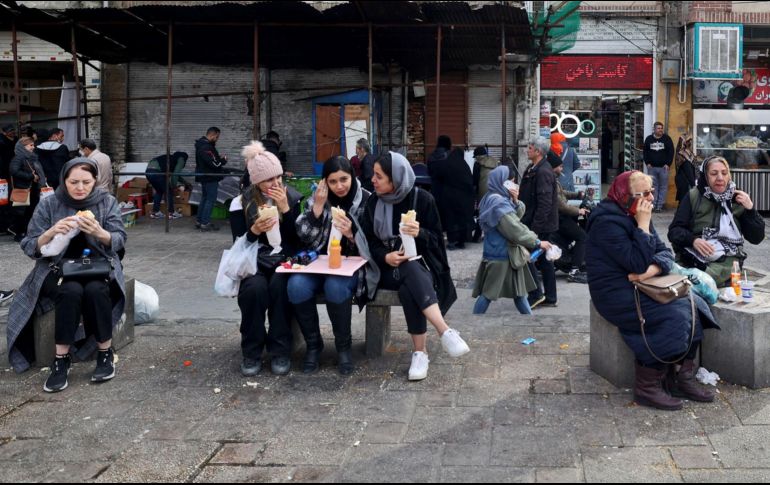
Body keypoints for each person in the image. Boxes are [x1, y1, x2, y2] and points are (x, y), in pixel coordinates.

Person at [587, 170, 718, 410]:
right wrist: (644, 226)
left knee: (694, 303)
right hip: (614, 292)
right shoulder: (607, 222)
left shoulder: (635, 212)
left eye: (652, 191)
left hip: (642, 282)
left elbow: (665, 252)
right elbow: (636, 261)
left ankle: (681, 376)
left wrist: (652, 269)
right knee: (675, 314)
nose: (650, 197)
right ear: (625, 195)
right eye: (643, 193)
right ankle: (647, 386)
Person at [6, 158, 127, 392]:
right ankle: (61, 359)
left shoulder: (106, 202)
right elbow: (30, 245)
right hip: (56, 269)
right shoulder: (50, 204)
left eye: (86, 182)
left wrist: (100, 233)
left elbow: (119, 240)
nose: (80, 188)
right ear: (64, 180)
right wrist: (51, 232)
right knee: (70, 291)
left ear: (95, 181)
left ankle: (105, 353)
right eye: (73, 182)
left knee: (95, 290)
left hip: (99, 267)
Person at [361, 151, 469, 381]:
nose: (373, 180)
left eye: (379, 176)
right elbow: (369, 241)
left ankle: (420, 353)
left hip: (422, 270)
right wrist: (385, 256)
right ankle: (444, 331)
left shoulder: (422, 199)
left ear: (395, 179)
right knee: (409, 272)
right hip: (385, 271)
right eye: (374, 175)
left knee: (409, 283)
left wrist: (419, 233)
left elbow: (438, 241)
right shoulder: (373, 202)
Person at [289, 156, 372, 375]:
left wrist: (352, 235)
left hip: (352, 266)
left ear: (352, 177)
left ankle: (343, 348)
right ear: (325, 182)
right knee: (296, 285)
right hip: (319, 263)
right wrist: (316, 207)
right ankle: (314, 345)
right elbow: (304, 236)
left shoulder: (366, 200)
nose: (339, 186)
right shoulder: (318, 199)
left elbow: (374, 245)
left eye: (344, 179)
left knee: (335, 287)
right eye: (333, 181)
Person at [230, 141, 303, 377]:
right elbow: (239, 244)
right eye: (269, 180)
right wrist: (255, 230)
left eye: (279, 177)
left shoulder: (292, 197)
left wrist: (287, 210)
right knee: (253, 290)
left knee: (280, 288)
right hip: (255, 261)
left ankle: (280, 350)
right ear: (257, 181)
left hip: (284, 259)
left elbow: (298, 240)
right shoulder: (240, 203)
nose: (276, 183)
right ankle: (251, 351)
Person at [668, 156, 765, 287]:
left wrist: (750, 210)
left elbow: (756, 238)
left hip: (727, 260)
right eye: (714, 173)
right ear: (705, 177)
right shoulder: (693, 196)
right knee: (691, 278)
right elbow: (674, 231)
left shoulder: (737, 199)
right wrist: (693, 240)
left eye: (724, 173)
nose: (720, 178)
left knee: (702, 280)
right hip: (693, 255)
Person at [473, 166, 551, 315]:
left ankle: (530, 323)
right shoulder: (499, 204)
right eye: (511, 182)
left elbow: (515, 217)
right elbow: (514, 228)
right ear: (502, 182)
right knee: (488, 294)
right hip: (501, 255)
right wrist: (537, 242)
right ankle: (473, 323)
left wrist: (515, 200)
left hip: (505, 253)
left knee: (520, 294)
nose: (514, 185)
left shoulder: (491, 197)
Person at [519, 136, 559, 309]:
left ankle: (537, 295)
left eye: (530, 147)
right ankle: (549, 296)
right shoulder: (533, 167)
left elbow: (545, 203)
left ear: (538, 151)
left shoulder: (543, 171)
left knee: (528, 258)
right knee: (543, 261)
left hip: (540, 225)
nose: (527, 149)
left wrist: (534, 230)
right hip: (533, 221)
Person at [552, 155, 589, 284]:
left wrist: (578, 195)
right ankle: (574, 271)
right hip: (559, 218)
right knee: (582, 237)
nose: (562, 168)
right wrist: (578, 210)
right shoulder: (551, 180)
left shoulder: (554, 180)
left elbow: (562, 193)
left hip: (559, 215)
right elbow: (561, 206)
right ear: (553, 167)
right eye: (560, 166)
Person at [431, 147, 475, 250]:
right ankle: (462, 241)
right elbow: (470, 182)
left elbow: (438, 177)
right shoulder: (465, 167)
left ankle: (452, 241)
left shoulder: (446, 164)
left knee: (451, 219)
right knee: (462, 219)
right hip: (463, 199)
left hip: (449, 198)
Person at [9, 137, 48, 242]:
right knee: (22, 213)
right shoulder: (19, 158)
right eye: (30, 145)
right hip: (23, 189)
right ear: (23, 147)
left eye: (33, 145)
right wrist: (30, 176)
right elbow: (14, 171)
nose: (33, 147)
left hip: (33, 189)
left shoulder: (32, 157)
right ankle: (19, 233)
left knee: (30, 212)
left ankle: (27, 232)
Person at [194, 127, 228, 232]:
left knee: (205, 198)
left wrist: (218, 159)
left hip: (205, 176)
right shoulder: (206, 147)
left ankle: (199, 221)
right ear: (213, 135)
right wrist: (223, 160)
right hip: (210, 177)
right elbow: (214, 163)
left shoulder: (202, 145)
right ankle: (205, 223)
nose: (217, 139)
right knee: (210, 200)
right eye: (217, 137)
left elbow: (211, 160)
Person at [145, 151, 189, 220]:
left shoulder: (170, 159)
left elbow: (176, 175)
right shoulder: (181, 159)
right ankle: (171, 213)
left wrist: (185, 182)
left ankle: (155, 212)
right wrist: (174, 186)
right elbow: (175, 175)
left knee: (159, 191)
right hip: (157, 172)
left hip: (148, 172)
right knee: (169, 191)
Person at [643, 121, 675, 212]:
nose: (660, 130)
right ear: (654, 129)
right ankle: (653, 204)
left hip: (663, 168)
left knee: (663, 187)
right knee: (653, 186)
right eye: (658, 128)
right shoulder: (649, 139)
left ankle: (659, 206)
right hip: (652, 167)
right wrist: (647, 163)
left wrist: (668, 164)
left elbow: (671, 152)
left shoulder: (667, 139)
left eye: (661, 128)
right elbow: (645, 152)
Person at [673, 133, 697, 203]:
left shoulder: (687, 152)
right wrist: (693, 184)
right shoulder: (683, 154)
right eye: (689, 141)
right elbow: (688, 170)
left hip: (684, 181)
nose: (690, 142)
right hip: (685, 182)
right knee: (684, 202)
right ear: (684, 142)